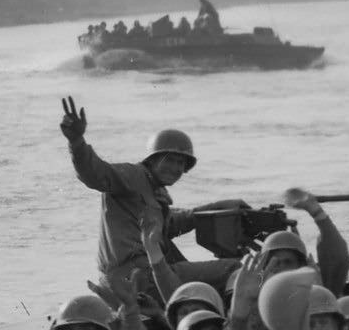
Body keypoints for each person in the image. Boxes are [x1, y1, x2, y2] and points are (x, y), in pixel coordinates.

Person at [59, 96, 236, 289]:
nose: (175, 168)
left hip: (140, 275)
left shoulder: (156, 193)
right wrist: (76, 142)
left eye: (180, 163)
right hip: (136, 275)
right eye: (169, 160)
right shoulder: (132, 176)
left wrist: (218, 207)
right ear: (152, 160)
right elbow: (93, 173)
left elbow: (169, 224)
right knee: (234, 269)